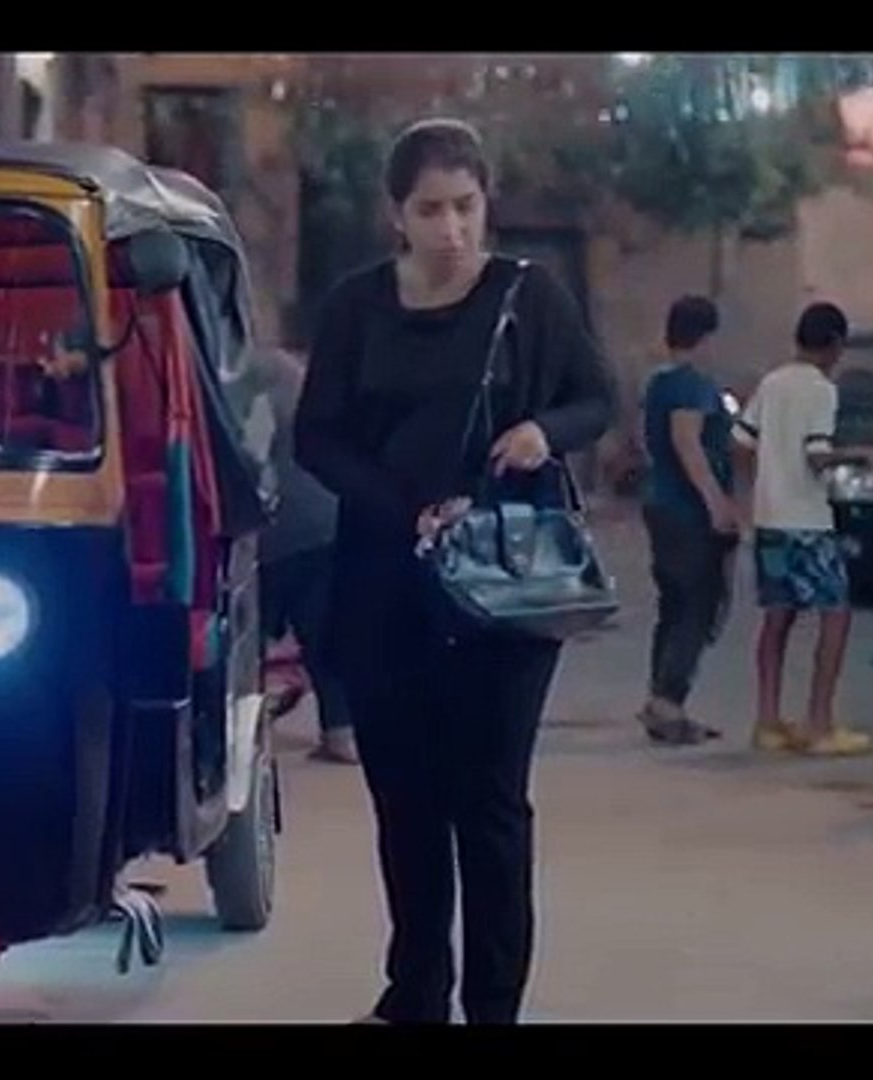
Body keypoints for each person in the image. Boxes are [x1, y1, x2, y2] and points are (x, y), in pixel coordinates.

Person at [295, 118, 615, 1024]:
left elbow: (596, 398)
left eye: (465, 207)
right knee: (405, 803)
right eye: (431, 210)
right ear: (396, 214)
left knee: (491, 803)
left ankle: (494, 1006)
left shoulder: (529, 296)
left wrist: (543, 431)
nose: (451, 229)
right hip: (385, 580)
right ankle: (416, 994)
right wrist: (403, 506)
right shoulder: (356, 307)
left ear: (486, 205)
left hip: (504, 584)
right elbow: (316, 436)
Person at [734, 302, 873, 756]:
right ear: (835, 344)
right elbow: (816, 455)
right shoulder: (821, 390)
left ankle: (768, 720)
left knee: (777, 617)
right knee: (835, 613)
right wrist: (859, 454)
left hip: (770, 518)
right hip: (808, 520)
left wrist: (758, 489)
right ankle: (820, 722)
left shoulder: (772, 382)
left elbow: (740, 443)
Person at [636, 295, 738, 745]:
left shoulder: (659, 382)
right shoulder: (692, 385)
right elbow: (688, 443)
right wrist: (716, 503)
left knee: (673, 605)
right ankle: (669, 701)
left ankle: (659, 698)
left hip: (660, 501)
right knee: (697, 605)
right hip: (687, 509)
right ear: (706, 337)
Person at [248, 346, 358, 764]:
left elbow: (250, 454)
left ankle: (246, 732)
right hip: (322, 518)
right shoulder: (288, 370)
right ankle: (341, 731)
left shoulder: (235, 375)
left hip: (268, 530)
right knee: (324, 635)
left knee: (247, 639)